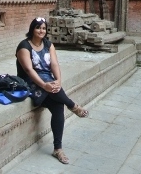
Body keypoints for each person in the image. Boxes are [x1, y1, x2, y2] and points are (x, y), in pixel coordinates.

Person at [16, 17, 89, 164]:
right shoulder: (24, 46)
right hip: (31, 83)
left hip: (49, 83)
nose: (41, 31)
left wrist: (58, 81)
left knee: (57, 106)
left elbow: (54, 64)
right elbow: (29, 70)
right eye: (38, 28)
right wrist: (44, 85)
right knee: (55, 94)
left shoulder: (48, 44)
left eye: (43, 28)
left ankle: (58, 149)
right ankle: (73, 106)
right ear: (32, 29)